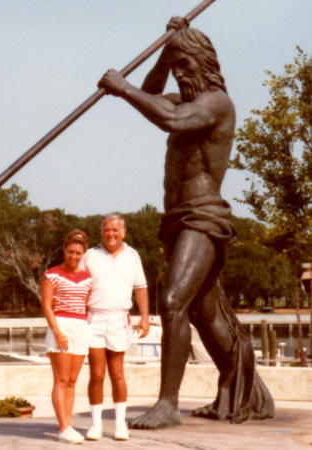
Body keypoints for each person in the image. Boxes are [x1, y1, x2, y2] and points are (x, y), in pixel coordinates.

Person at [97, 17, 275, 428]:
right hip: (178, 218)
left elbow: (170, 119)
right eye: (176, 67)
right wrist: (166, 49)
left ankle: (167, 404)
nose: (179, 74)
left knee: (174, 300)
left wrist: (122, 88)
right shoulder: (183, 96)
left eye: (184, 65)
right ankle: (246, 392)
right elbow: (152, 92)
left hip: (203, 217)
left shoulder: (215, 103)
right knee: (203, 313)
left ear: (204, 63)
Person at [79, 213, 149, 441]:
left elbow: (141, 287)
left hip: (119, 318)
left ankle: (120, 424)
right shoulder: (90, 255)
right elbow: (78, 285)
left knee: (117, 373)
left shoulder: (132, 256)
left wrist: (145, 317)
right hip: (94, 319)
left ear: (123, 233)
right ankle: (96, 425)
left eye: (115, 230)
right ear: (102, 232)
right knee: (97, 374)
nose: (111, 234)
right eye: (107, 230)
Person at [42, 229, 92, 444]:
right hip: (60, 326)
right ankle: (64, 428)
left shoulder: (87, 278)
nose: (73, 256)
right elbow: (46, 305)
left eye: (78, 253)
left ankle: (67, 424)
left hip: (80, 326)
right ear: (65, 250)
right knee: (61, 380)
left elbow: (87, 304)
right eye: (70, 252)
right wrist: (58, 332)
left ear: (83, 254)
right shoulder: (51, 274)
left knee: (72, 381)